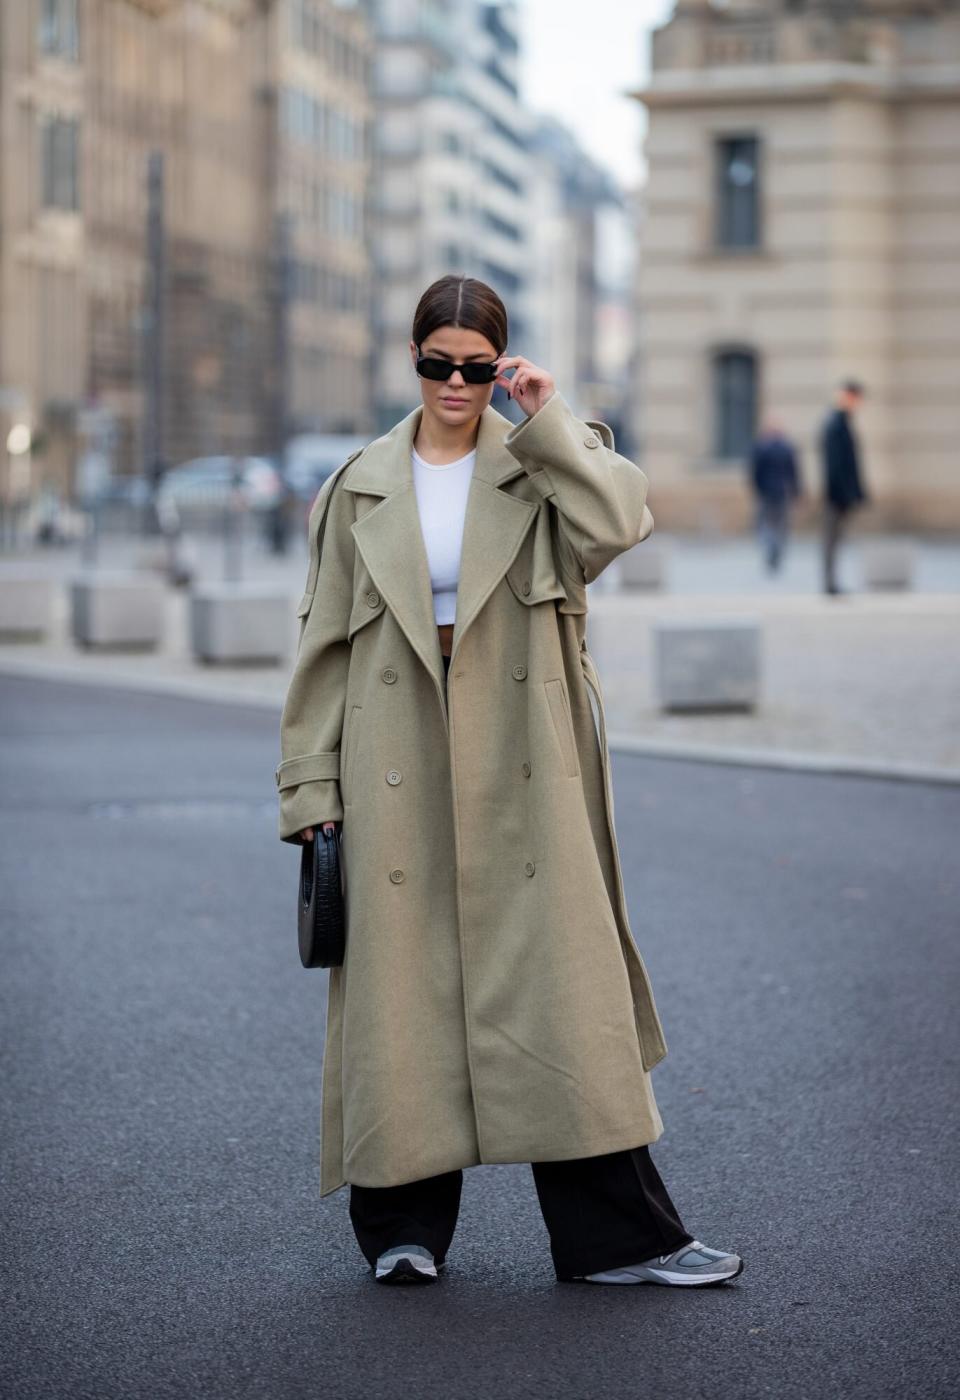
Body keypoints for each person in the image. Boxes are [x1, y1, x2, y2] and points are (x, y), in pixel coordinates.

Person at [276, 275, 744, 1289]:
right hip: (393, 746)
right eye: (438, 363)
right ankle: (401, 1228)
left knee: (562, 992)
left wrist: (548, 413)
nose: (456, 383)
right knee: (403, 996)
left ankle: (620, 1237)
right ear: (413, 361)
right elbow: (320, 648)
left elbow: (625, 519)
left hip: (523, 752)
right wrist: (312, 792)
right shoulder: (357, 483)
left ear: (502, 363)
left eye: (477, 366)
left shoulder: (543, 462)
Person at [820, 380, 870, 595]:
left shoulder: (842, 422)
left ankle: (832, 582)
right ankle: (830, 583)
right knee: (832, 539)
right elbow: (836, 465)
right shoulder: (835, 423)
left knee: (836, 539)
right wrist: (844, 494)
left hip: (841, 493)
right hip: (837, 495)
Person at [749, 414, 802, 573]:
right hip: (781, 491)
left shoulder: (761, 447)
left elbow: (755, 472)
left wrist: (757, 489)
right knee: (780, 525)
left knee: (766, 524)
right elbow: (794, 472)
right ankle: (776, 549)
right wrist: (796, 491)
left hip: (767, 492)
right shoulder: (786, 448)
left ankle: (772, 549)